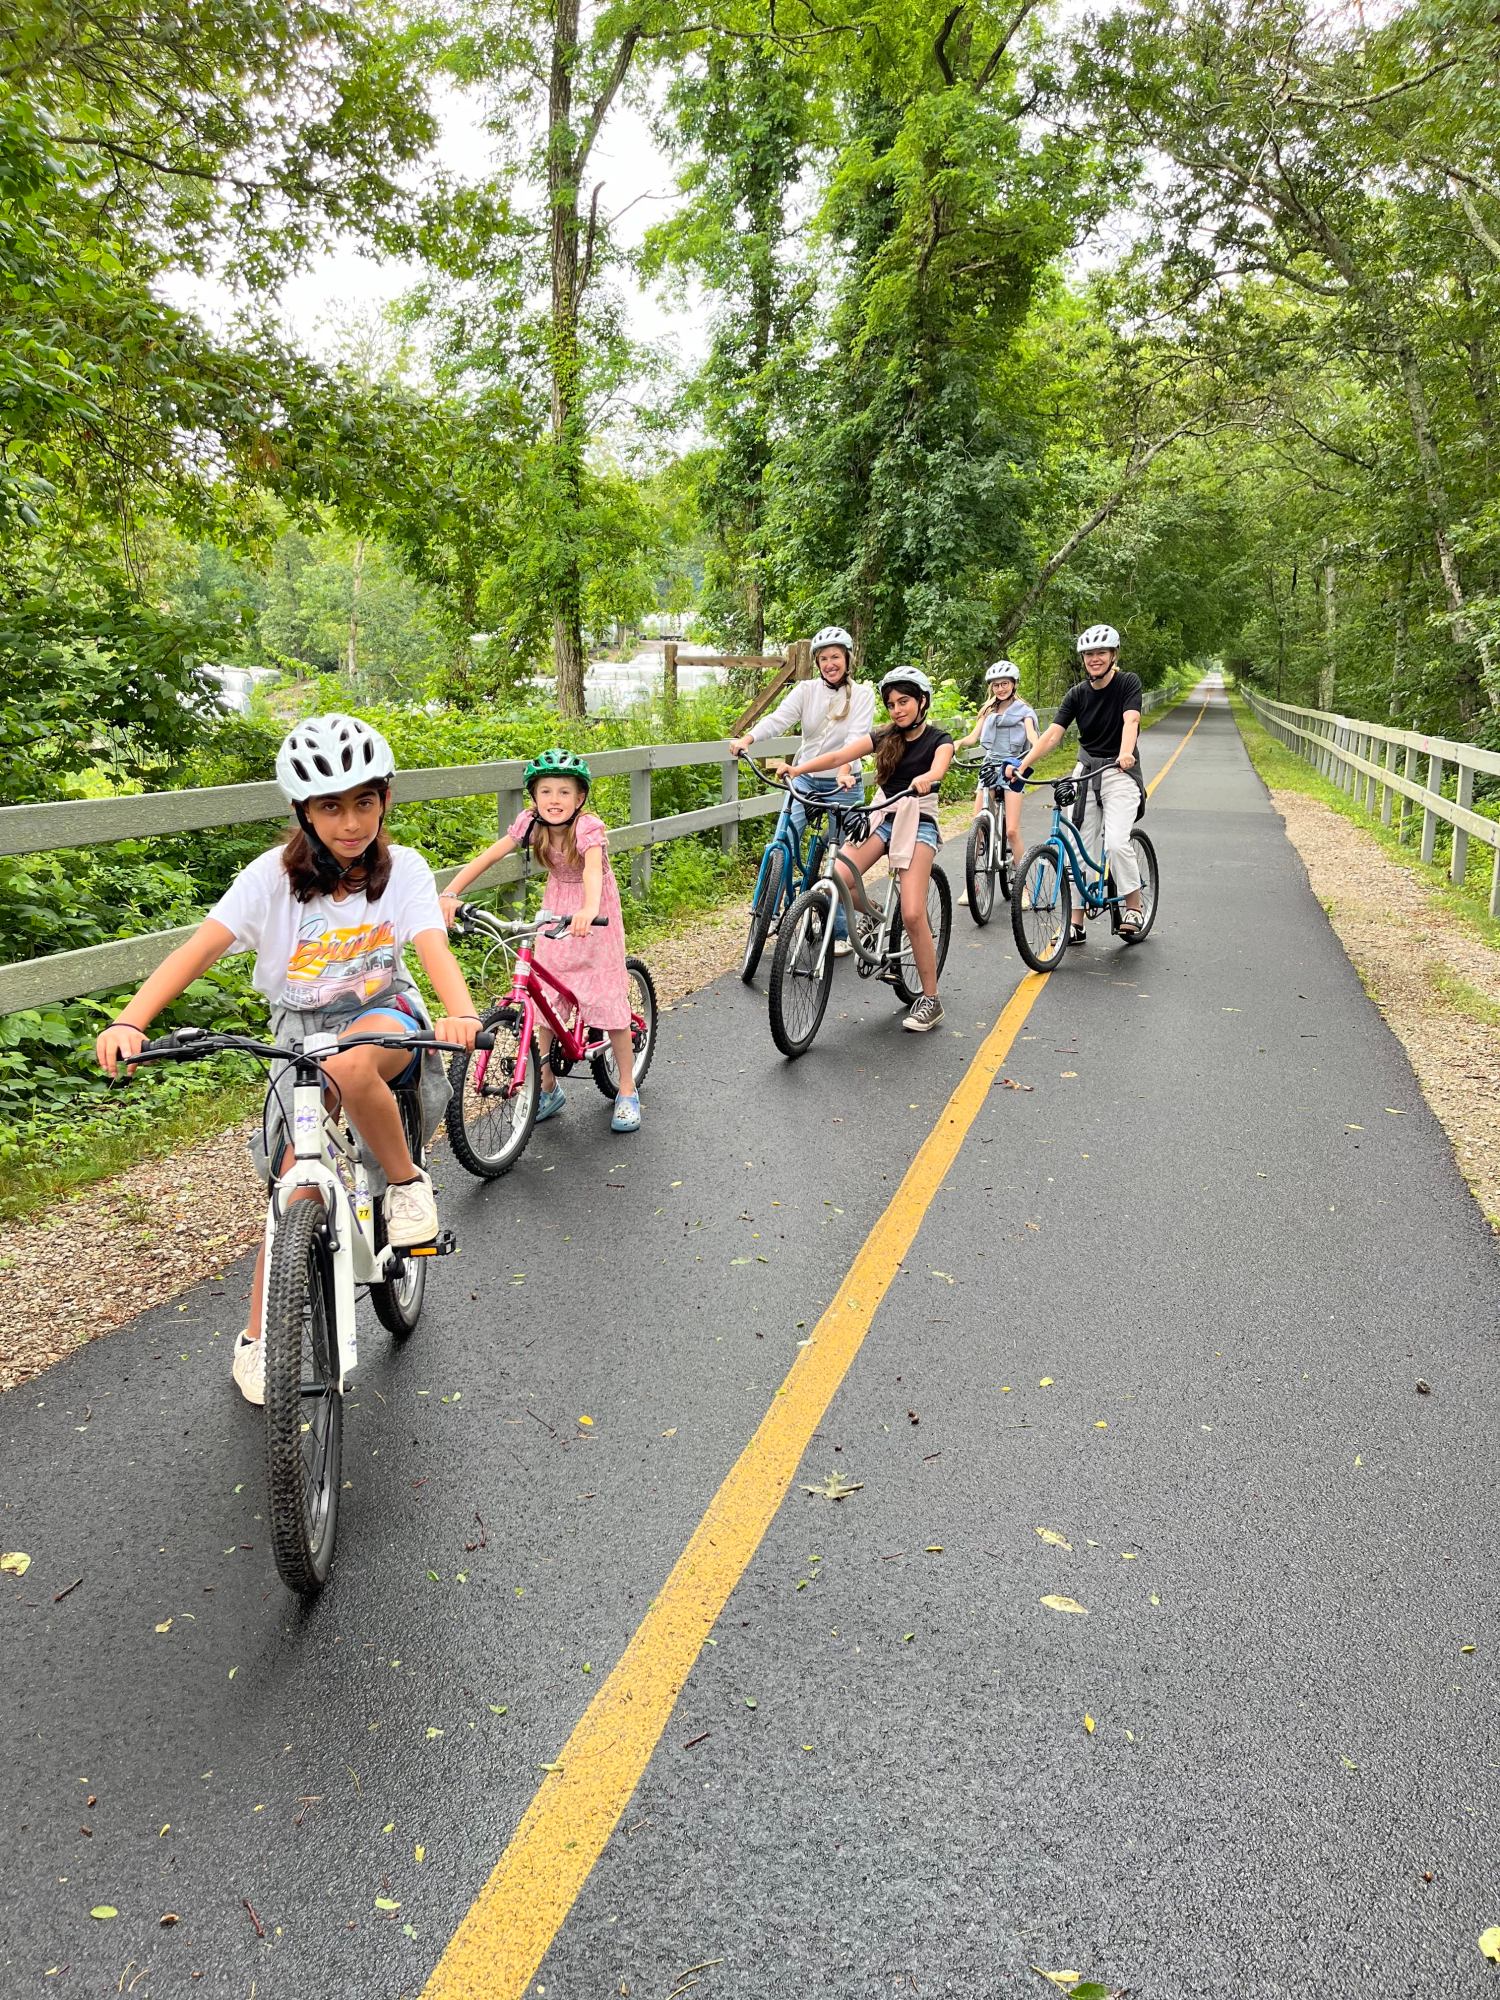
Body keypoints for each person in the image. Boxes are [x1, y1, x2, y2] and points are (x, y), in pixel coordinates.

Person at [95, 714, 482, 1406]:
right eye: (331, 806)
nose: (351, 821)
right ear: (303, 811)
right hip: (298, 1028)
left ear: (385, 799)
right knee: (291, 1184)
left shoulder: (406, 873)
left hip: (381, 1011)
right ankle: (259, 1337)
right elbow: (198, 951)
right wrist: (131, 1019)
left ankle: (405, 1183)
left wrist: (461, 1012)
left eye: (365, 801)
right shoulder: (269, 880)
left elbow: (432, 948)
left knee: (356, 1064)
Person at [438, 749, 641, 1132]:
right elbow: (490, 856)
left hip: (594, 911)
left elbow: (593, 871)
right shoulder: (530, 824)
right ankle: (547, 1086)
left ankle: (627, 1088)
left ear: (579, 798)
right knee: (545, 995)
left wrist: (588, 909)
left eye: (564, 792)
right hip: (556, 902)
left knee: (605, 995)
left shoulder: (587, 828)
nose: (554, 800)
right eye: (545, 791)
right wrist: (450, 891)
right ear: (534, 798)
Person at [782, 666, 953, 1031]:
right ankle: (875, 915)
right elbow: (837, 755)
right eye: (891, 703)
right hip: (882, 814)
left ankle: (931, 999)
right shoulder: (885, 735)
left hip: (918, 818)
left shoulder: (940, 739)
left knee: (911, 913)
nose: (896, 709)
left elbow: (940, 767)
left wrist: (927, 779)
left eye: (903, 701)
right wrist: (798, 771)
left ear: (922, 702)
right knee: (838, 879)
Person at [729, 626, 875, 954]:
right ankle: (772, 908)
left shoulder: (863, 694)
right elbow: (779, 719)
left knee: (835, 859)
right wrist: (748, 739)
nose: (829, 663)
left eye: (835, 657)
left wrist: (843, 770)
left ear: (847, 659)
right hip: (805, 778)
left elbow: (856, 737)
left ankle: (837, 929)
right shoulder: (806, 690)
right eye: (823, 658)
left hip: (844, 783)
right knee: (784, 837)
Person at [1007, 624, 1146, 945]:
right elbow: (1053, 734)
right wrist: (1022, 766)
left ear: (1113, 655)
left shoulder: (1128, 683)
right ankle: (1075, 922)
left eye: (1100, 653)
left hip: (1119, 770)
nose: (1094, 659)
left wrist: (1126, 752)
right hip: (1085, 770)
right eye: (1088, 655)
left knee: (1114, 842)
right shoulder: (1077, 694)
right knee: (1073, 847)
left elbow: (1131, 720)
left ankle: (1134, 908)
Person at [955, 661, 1038, 889]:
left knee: (1011, 830)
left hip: (1013, 768)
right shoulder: (988, 710)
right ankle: (972, 886)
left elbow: (1032, 736)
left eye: (1004, 684)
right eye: (995, 685)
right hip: (990, 767)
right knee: (977, 824)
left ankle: (1023, 887)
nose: (1000, 688)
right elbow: (973, 737)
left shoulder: (1024, 711)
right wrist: (959, 743)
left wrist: (1036, 748)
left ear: (1013, 684)